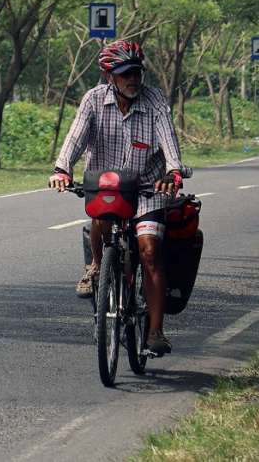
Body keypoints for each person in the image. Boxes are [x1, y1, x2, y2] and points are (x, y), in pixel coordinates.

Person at [49, 39, 184, 357]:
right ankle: (96, 266)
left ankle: (155, 331)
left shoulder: (153, 100)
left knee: (150, 251)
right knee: (100, 216)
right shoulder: (93, 100)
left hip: (148, 190)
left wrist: (173, 172)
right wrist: (62, 168)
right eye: (124, 74)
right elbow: (75, 137)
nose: (132, 79)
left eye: (136, 72)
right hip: (106, 188)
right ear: (110, 76)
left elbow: (168, 139)